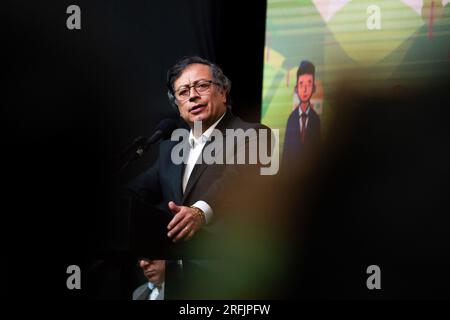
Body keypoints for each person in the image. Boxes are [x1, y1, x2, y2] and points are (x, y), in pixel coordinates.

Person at [127, 56, 271, 258]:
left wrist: (200, 212)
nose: (192, 96)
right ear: (177, 105)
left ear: (223, 92)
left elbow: (236, 180)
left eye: (201, 86)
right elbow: (136, 192)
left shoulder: (254, 135)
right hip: (180, 277)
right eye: (183, 92)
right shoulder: (170, 150)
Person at [282, 60, 321, 166]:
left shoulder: (316, 120)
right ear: (296, 89)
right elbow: (286, 155)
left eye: (309, 84)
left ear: (313, 88)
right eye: (301, 84)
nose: (304, 89)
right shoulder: (291, 119)